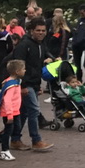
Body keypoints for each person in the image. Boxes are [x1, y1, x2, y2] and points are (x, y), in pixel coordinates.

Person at [9, 18, 54, 152]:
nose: (41, 33)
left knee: (23, 112)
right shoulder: (24, 45)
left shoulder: (41, 44)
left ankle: (15, 139)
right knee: (34, 110)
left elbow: (37, 65)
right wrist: (21, 86)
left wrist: (38, 85)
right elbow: (17, 66)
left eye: (43, 31)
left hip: (33, 83)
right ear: (31, 31)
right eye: (38, 31)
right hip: (25, 84)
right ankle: (36, 140)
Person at [0, 60, 25, 161]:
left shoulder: (16, 82)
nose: (25, 70)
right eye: (23, 69)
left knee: (15, 129)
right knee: (8, 131)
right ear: (17, 71)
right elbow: (7, 100)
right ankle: (4, 151)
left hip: (16, 111)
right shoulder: (11, 85)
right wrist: (9, 115)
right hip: (9, 112)